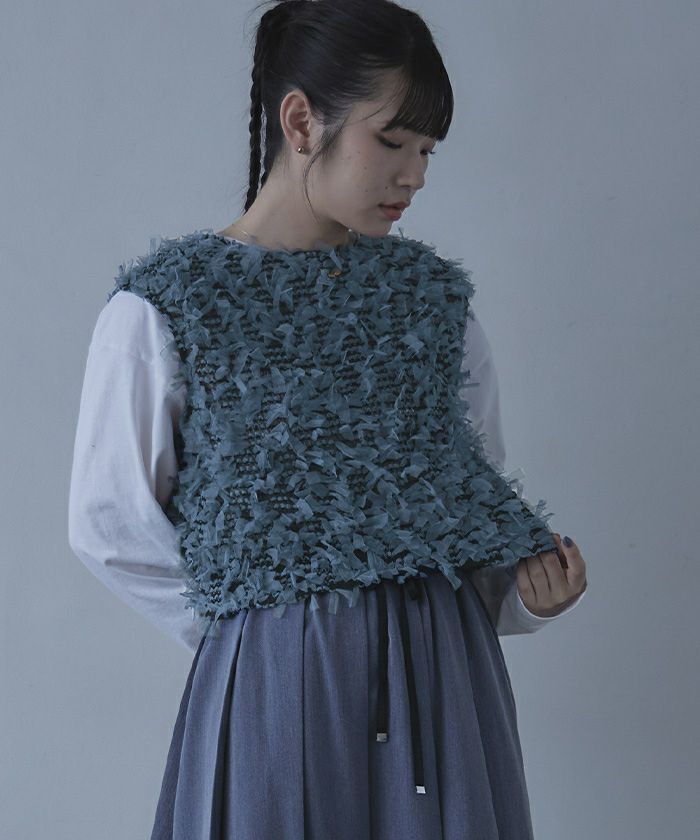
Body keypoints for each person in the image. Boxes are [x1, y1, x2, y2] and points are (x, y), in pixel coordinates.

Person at [68, 1, 588, 837]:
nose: (415, 176)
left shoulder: (433, 302)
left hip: (444, 678)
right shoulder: (167, 307)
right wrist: (260, 626)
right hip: (277, 685)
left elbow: (466, 508)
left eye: (427, 151)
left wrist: (529, 598)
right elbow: (108, 522)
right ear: (302, 121)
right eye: (393, 141)